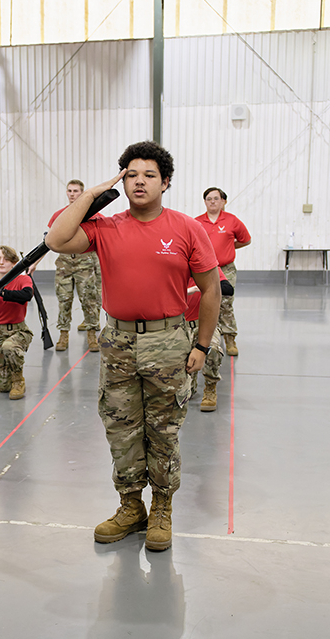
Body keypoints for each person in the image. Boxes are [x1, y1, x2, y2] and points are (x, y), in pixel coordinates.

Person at [45, 141, 219, 553]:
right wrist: (91, 195)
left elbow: (212, 291)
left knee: (164, 431)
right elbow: (56, 239)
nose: (139, 182)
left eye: (149, 175)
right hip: (118, 341)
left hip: (168, 342)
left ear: (166, 182)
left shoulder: (186, 228)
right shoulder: (106, 227)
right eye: (131, 175)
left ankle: (161, 508)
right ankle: (129, 506)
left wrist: (203, 346)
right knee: (121, 430)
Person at [46, 180, 102, 352]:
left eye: (75, 191)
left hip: (85, 263)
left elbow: (103, 241)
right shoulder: (59, 215)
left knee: (89, 300)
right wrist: (34, 263)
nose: (72, 194)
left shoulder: (94, 215)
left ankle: (92, 334)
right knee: (64, 300)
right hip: (64, 265)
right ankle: (63, 335)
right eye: (69, 191)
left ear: (82, 193)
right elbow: (48, 241)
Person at [194, 187, 251, 356]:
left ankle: (230, 338)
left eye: (216, 198)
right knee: (205, 302)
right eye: (209, 199)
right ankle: (204, 337)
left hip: (226, 269)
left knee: (225, 302)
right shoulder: (196, 222)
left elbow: (245, 240)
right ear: (205, 202)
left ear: (223, 201)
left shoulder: (232, 221)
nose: (212, 201)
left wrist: (228, 248)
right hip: (203, 269)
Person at [0, 245, 34, 400]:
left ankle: (18, 380)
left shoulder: (22, 279)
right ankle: (8, 377)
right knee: (1, 386)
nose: (1, 262)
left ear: (14, 263)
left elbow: (27, 295)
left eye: (6, 259)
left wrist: (1, 293)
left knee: (9, 347)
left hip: (19, 330)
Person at [184, 268, 234, 412]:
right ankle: (189, 385)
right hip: (180, 324)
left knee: (212, 350)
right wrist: (188, 291)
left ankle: (210, 386)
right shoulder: (176, 267)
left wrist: (205, 286)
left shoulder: (208, 268)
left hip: (204, 324)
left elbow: (228, 289)